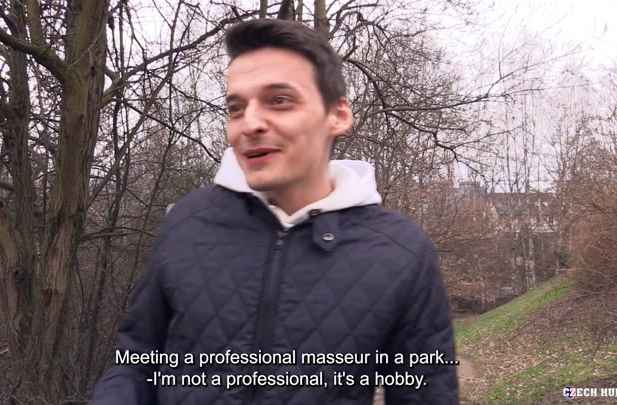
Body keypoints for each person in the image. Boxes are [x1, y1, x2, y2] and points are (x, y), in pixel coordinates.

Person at [91, 18, 458, 405]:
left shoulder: (401, 251)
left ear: (338, 115)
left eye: (279, 100)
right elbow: (136, 361)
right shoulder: (187, 222)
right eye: (236, 108)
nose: (249, 124)